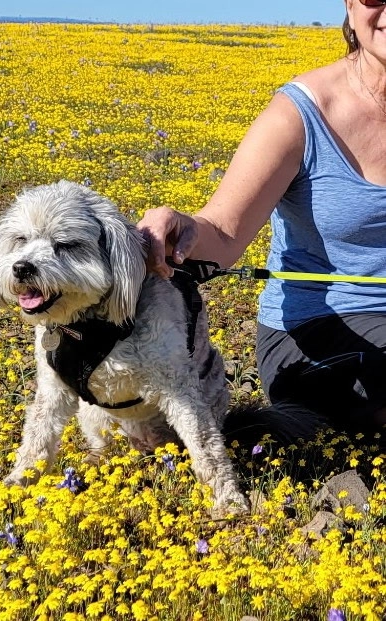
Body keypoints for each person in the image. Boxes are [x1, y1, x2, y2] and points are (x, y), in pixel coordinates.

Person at [137, 0, 386, 433]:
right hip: (317, 331)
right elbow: (224, 231)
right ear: (349, 4)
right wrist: (182, 229)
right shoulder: (300, 115)